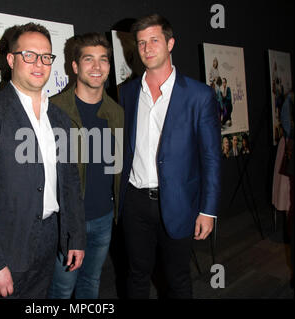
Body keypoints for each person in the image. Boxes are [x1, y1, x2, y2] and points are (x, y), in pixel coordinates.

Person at [0, 23, 86, 299]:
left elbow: (70, 181)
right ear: (11, 60)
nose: (39, 63)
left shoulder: (61, 119)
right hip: (4, 246)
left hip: (49, 239)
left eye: (45, 57)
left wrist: (75, 235)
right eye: (29, 55)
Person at [118, 14, 221, 298]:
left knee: (177, 278)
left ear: (170, 43)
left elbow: (211, 158)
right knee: (136, 275)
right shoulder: (127, 92)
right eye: (141, 43)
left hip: (178, 200)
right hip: (135, 202)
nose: (147, 48)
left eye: (154, 40)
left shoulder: (199, 96)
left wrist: (208, 210)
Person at [47, 33, 124, 299]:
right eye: (88, 59)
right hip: (68, 222)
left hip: (104, 218)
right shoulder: (53, 110)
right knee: (62, 289)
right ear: (75, 67)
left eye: (103, 60)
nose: (97, 67)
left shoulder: (117, 112)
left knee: (91, 284)